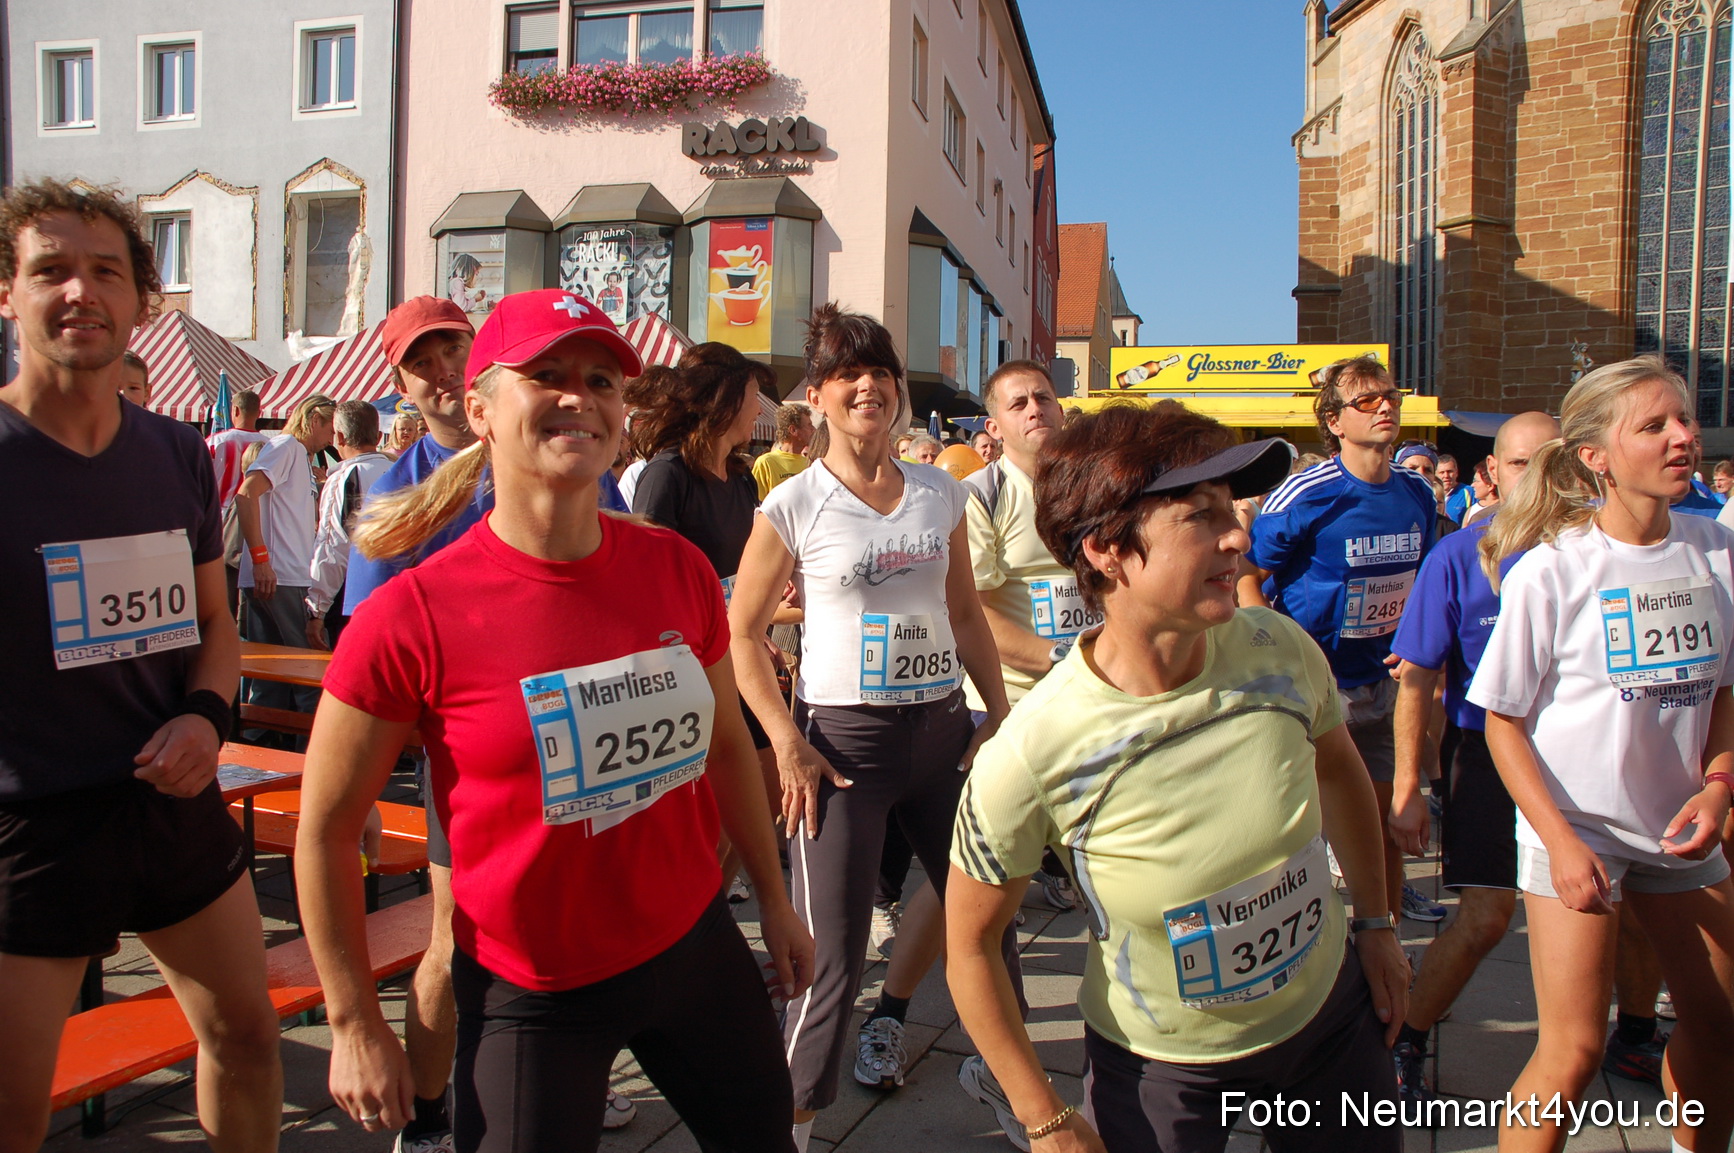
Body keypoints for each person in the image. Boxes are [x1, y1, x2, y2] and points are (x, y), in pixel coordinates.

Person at [297, 288, 810, 1153]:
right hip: (530, 992)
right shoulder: (413, 612)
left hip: (693, 950)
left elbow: (726, 746)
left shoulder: (675, 569)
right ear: (482, 409)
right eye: (548, 375)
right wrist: (350, 1018)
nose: (581, 396)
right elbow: (325, 829)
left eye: (603, 380)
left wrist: (773, 898)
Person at [947, 401, 1406, 1153]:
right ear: (1106, 550)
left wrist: (1379, 926)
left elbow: (1343, 774)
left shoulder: (1278, 649)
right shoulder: (1036, 748)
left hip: (1331, 1025)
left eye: (1231, 507)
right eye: (1200, 516)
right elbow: (970, 945)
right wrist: (1046, 1116)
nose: (1239, 535)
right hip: (1166, 1071)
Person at [0, 178, 281, 1153]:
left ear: (140, 302)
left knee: (248, 1038)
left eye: (105, 271)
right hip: (28, 829)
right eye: (51, 270)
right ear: (10, 293)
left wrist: (208, 718)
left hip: (172, 802)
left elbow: (215, 620)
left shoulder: (173, 452)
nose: (80, 291)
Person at [727, 304, 1013, 1151]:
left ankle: (1015, 1085)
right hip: (840, 753)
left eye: (880, 374)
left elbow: (964, 611)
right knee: (831, 960)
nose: (868, 388)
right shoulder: (793, 501)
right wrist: (784, 738)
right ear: (817, 395)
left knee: (987, 917)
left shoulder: (939, 490)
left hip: (940, 737)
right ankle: (794, 1126)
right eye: (848, 374)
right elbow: (742, 633)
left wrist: (998, 715)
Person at [1471, 356, 1734, 1153]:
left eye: (1683, 420)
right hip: (1576, 829)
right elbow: (1502, 723)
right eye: (1653, 426)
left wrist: (1719, 786)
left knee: (1721, 1029)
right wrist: (1559, 840)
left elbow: (1725, 691)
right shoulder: (1555, 570)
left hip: (1681, 828)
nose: (1683, 437)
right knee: (1574, 1052)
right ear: (1595, 456)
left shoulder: (1717, 551)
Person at [1385, 411, 1560, 1103]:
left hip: (1575, 758)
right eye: (1519, 464)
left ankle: (1633, 1031)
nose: (1535, 477)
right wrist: (1407, 782)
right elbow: (1418, 675)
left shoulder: (1592, 547)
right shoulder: (1459, 554)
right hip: (1485, 753)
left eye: (1548, 460)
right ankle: (1410, 1036)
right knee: (1487, 916)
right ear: (1494, 471)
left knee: (1623, 907)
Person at [1241, 355, 1444, 925]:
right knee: (1297, 835)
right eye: (1367, 400)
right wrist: (1280, 653)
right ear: (1333, 421)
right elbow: (1243, 575)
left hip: (1386, 685)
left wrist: (1418, 643)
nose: (1385, 407)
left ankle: (1387, 945)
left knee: (1384, 830)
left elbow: (1422, 578)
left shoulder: (1418, 494)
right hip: (1315, 689)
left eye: (1391, 397)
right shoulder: (1306, 493)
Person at [234, 392, 336, 720]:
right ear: (315, 420)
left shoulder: (296, 453)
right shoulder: (285, 447)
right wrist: (261, 559)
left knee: (273, 675)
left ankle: (264, 744)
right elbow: (246, 494)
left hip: (281, 573)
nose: (334, 435)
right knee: (303, 670)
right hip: (280, 575)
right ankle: (308, 755)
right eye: (331, 426)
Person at [307, 400, 392, 650]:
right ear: (378, 435)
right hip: (398, 592)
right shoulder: (401, 470)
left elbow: (334, 545)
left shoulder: (344, 478)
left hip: (355, 595)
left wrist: (316, 608)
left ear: (340, 437)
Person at [207, 388, 270, 613]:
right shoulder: (270, 446)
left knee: (222, 593)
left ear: (234, 410)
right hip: (256, 523)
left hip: (219, 522)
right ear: (259, 412)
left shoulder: (215, 442)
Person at [753, 402, 814, 499]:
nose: (813, 429)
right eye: (809, 425)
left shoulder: (810, 464)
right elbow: (756, 502)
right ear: (793, 430)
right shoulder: (766, 462)